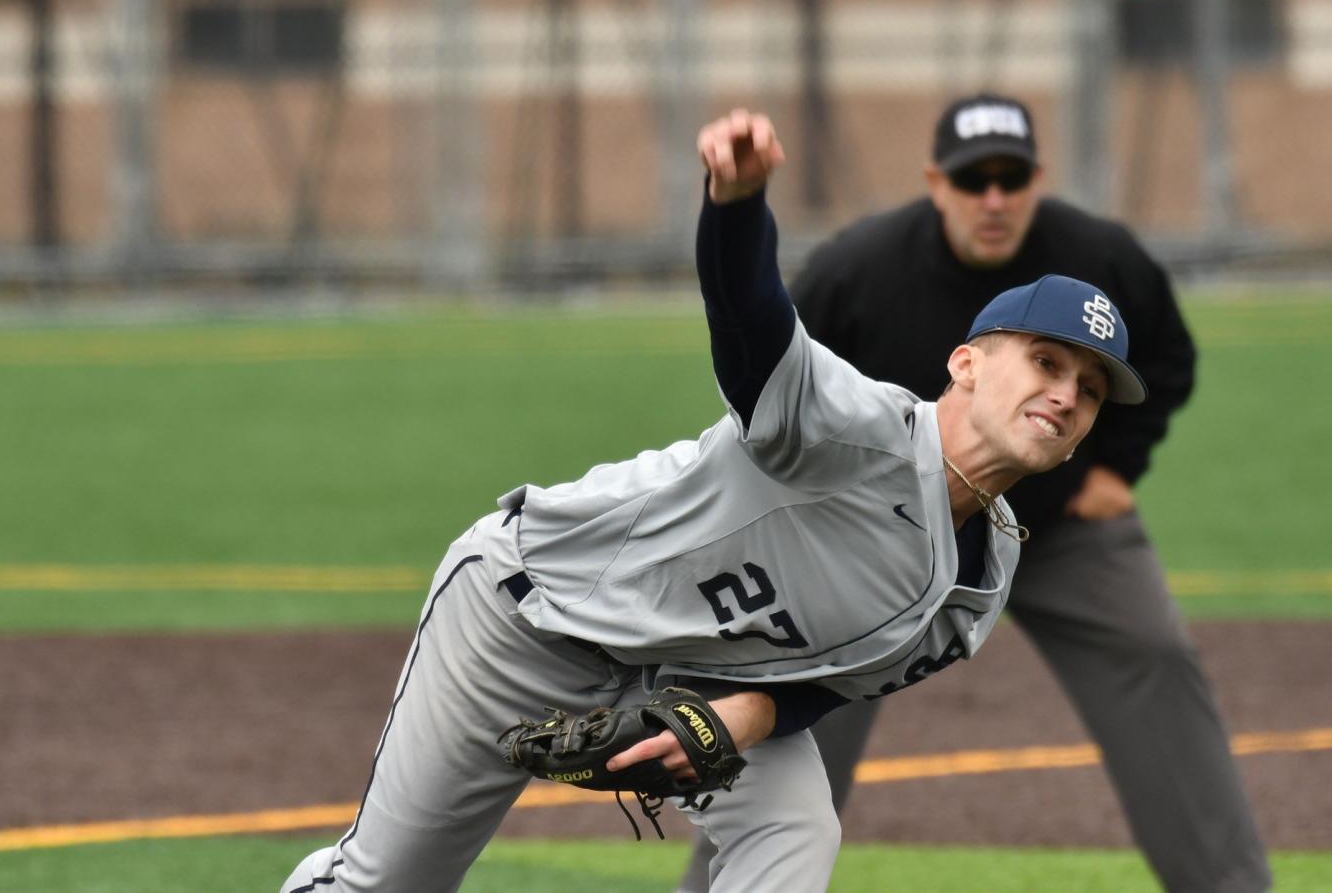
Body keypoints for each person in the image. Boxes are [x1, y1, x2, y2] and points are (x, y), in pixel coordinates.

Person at [281, 107, 1149, 893]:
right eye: (1046, 361)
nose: (1067, 394)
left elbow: (836, 682)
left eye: (1089, 389)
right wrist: (736, 208)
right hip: (526, 613)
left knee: (795, 822)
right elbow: (753, 327)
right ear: (967, 363)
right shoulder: (854, 428)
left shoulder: (982, 577)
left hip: (677, 675)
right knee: (386, 885)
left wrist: (749, 713)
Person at [676, 93, 1273, 893]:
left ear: (1036, 179)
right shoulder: (861, 269)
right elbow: (775, 386)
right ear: (935, 181)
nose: (994, 197)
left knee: (1156, 654)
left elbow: (1166, 362)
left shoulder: (1103, 261)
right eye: (973, 178)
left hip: (1054, 525)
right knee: (799, 696)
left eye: (1011, 177)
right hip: (872, 537)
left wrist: (1113, 470)